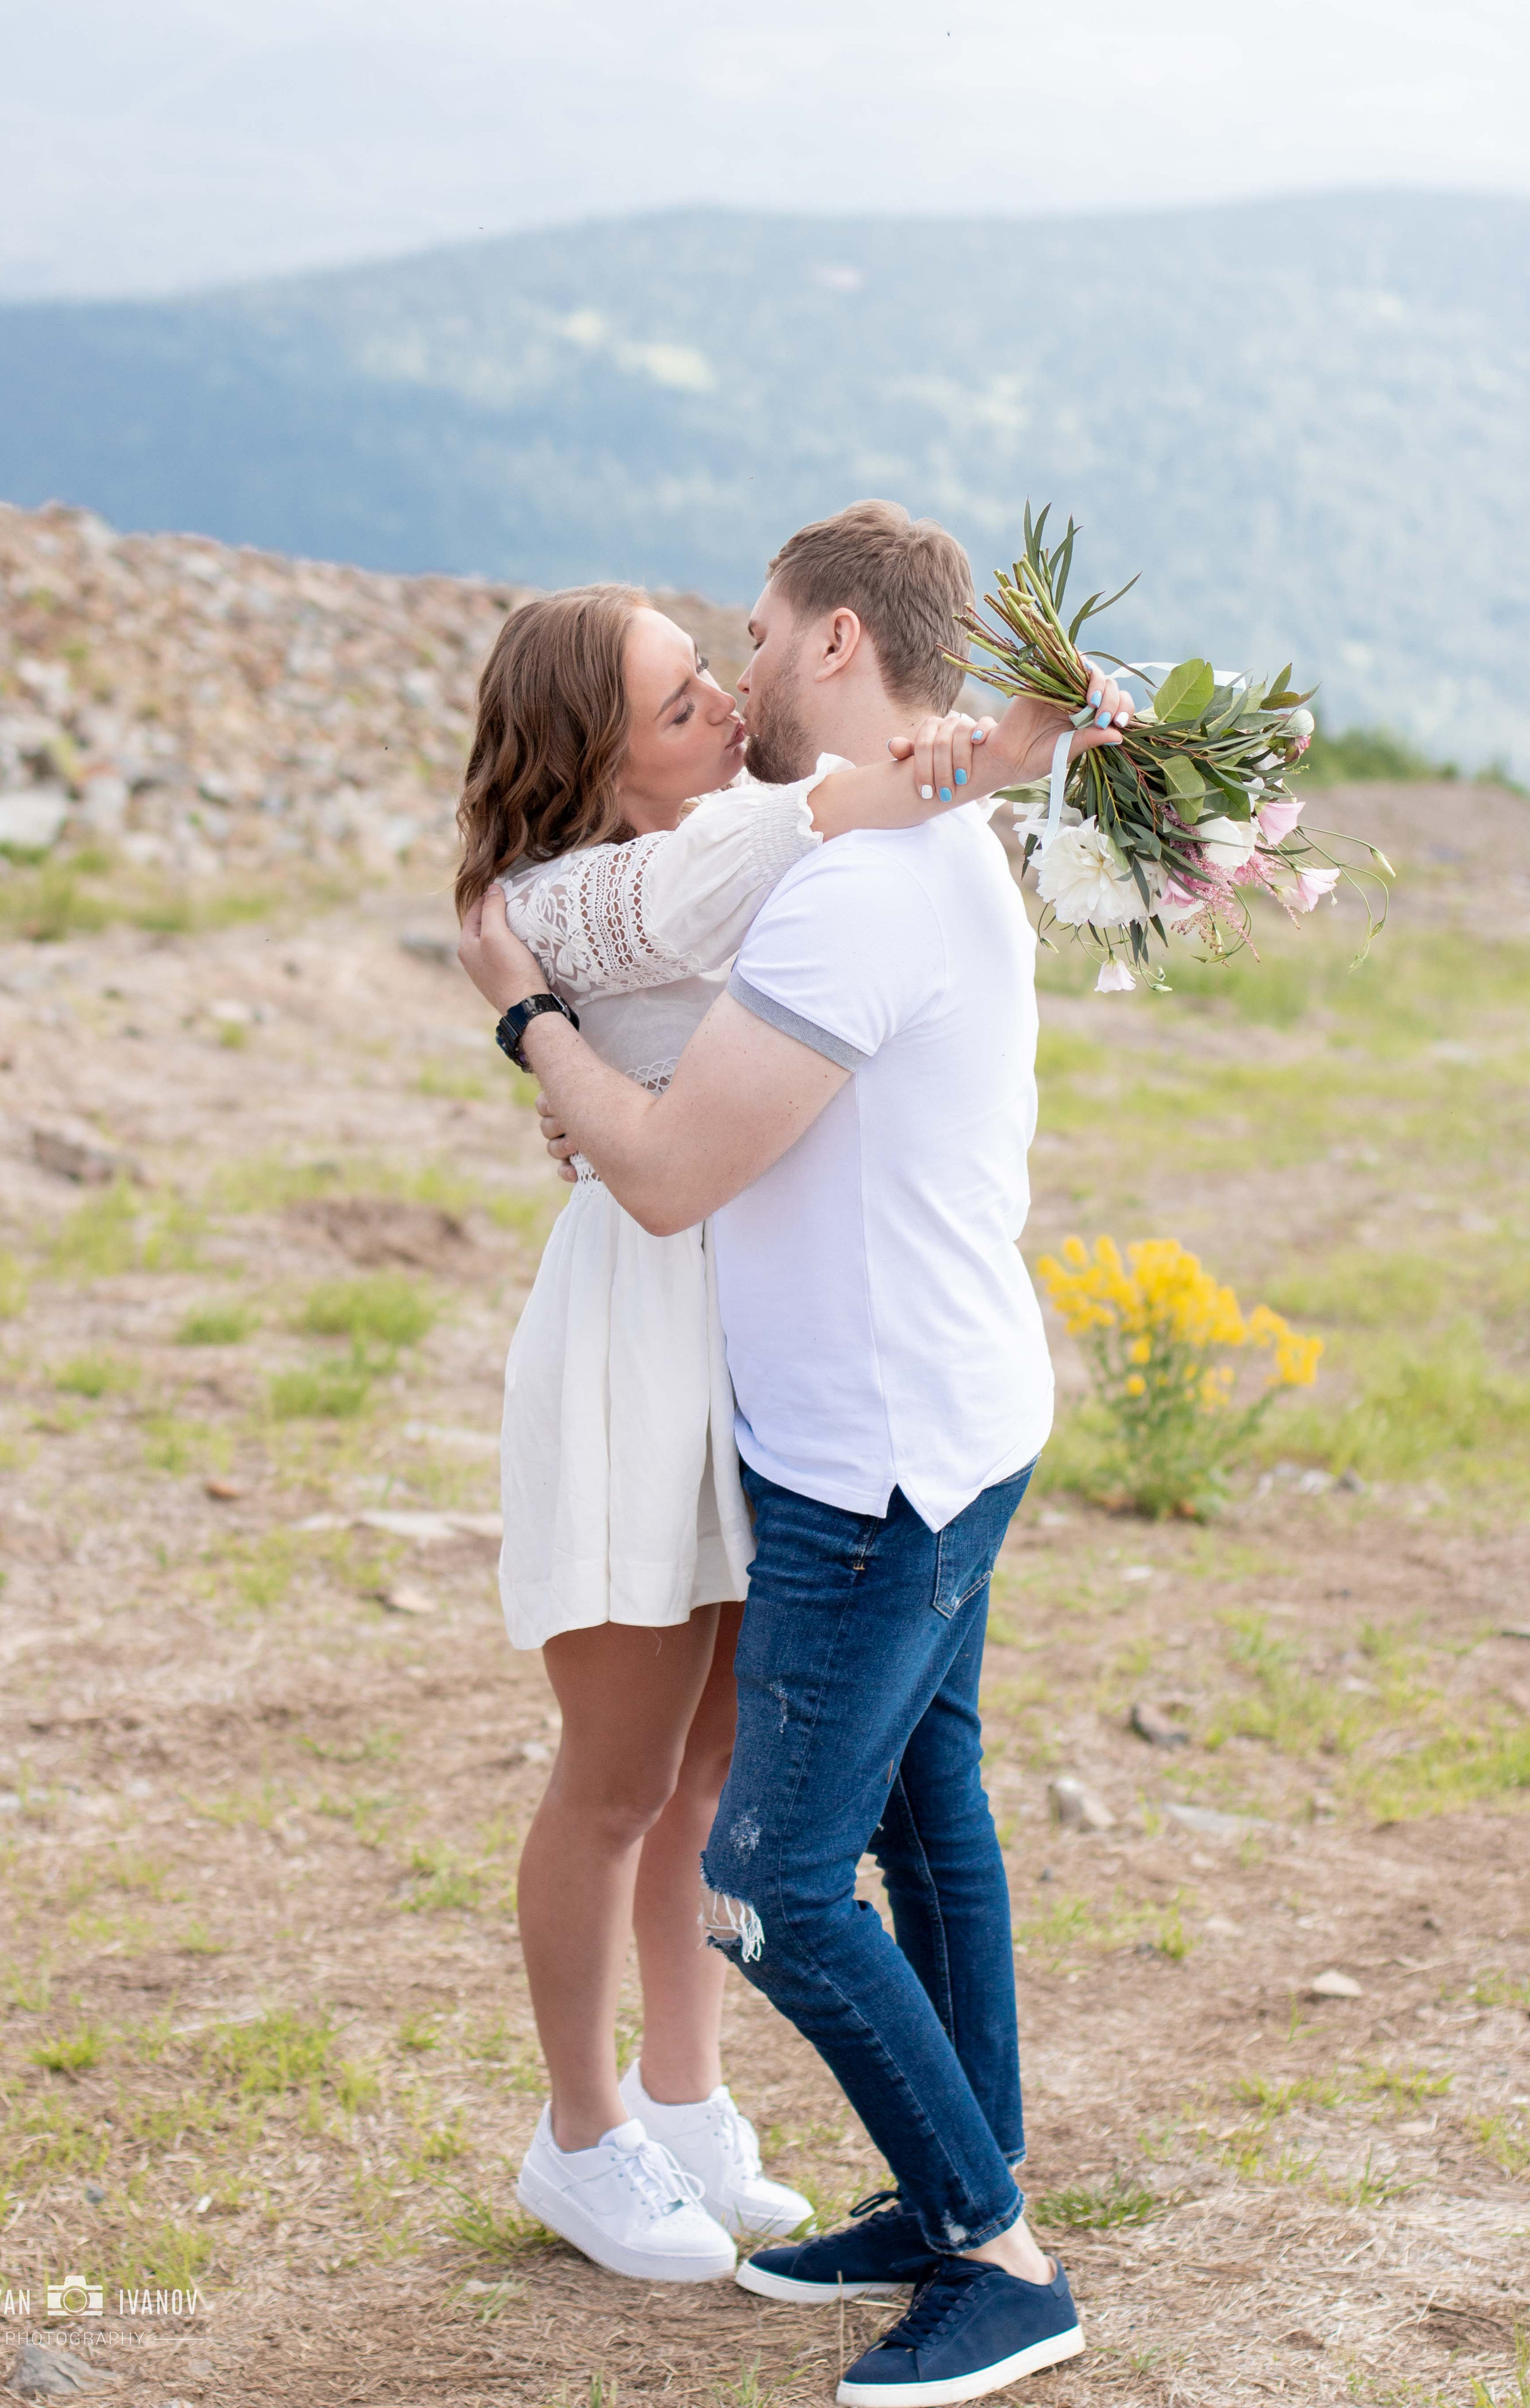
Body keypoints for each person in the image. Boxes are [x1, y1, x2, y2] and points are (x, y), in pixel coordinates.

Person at [459, 501, 1135, 2403]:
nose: (737, 668)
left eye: (749, 637)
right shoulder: (921, 841)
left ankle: (995, 2257)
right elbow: (646, 940)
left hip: (876, 1454)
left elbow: (668, 1169)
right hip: (943, 1412)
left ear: (836, 644)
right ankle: (947, 2207)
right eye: (695, 669)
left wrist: (537, 1039)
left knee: (770, 1873)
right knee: (935, 1823)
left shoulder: (862, 870)